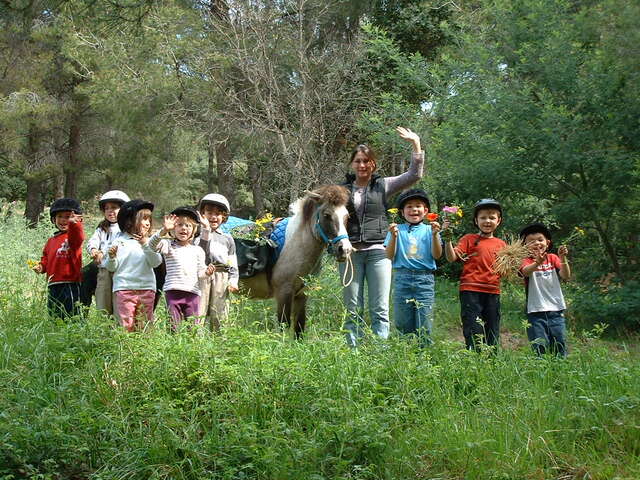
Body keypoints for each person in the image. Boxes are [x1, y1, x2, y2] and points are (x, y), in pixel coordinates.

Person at [339, 126, 424, 347]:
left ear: (373, 164)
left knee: (380, 307)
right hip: (351, 253)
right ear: (352, 164)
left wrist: (416, 143)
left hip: (379, 252)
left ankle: (380, 352)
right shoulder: (342, 190)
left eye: (366, 161)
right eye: (358, 161)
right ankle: (352, 351)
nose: (362, 165)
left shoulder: (383, 185)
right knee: (352, 307)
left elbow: (414, 175)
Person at [444, 198, 506, 350]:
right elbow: (452, 257)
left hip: (492, 290)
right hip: (470, 290)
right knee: (473, 326)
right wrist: (447, 239)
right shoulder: (468, 239)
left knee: (492, 327)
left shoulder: (502, 245)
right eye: (483, 217)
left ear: (498, 221)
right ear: (476, 220)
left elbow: (507, 270)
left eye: (492, 217)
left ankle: (492, 360)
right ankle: (474, 357)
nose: (487, 221)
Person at [384, 189, 442, 346]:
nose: (414, 209)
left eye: (418, 206)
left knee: (424, 323)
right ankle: (405, 357)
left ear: (426, 211)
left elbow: (437, 255)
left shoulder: (431, 229)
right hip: (402, 278)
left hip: (425, 279)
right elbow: (389, 255)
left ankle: (425, 356)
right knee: (403, 322)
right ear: (402, 212)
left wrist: (436, 235)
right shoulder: (396, 229)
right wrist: (394, 237)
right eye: (409, 206)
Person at [148, 207, 214, 330]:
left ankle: (192, 349)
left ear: (194, 230)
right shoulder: (168, 246)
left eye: (188, 225)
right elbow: (151, 245)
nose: (184, 228)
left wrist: (207, 272)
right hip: (173, 292)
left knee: (192, 327)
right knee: (174, 326)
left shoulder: (197, 250)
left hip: (192, 293)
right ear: (173, 229)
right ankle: (174, 347)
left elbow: (200, 273)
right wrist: (163, 230)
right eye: (179, 225)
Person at [106, 199, 162, 332]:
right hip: (124, 288)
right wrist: (112, 257)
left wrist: (145, 244)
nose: (148, 223)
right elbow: (111, 267)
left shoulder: (150, 242)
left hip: (147, 288)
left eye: (149, 219)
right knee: (126, 324)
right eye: (144, 219)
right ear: (129, 221)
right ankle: (126, 349)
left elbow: (156, 262)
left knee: (145, 324)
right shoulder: (119, 242)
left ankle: (144, 349)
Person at [519, 223, 571, 357]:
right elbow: (525, 272)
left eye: (540, 240)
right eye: (531, 241)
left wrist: (563, 258)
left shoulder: (553, 258)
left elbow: (565, 275)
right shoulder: (525, 261)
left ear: (547, 243)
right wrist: (537, 263)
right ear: (525, 246)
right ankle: (541, 372)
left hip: (556, 310)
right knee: (539, 346)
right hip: (535, 312)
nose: (537, 243)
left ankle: (560, 371)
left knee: (559, 344)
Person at [32, 198, 85, 319]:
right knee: (54, 312)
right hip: (53, 283)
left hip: (70, 282)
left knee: (71, 313)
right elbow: (46, 258)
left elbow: (79, 235)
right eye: (59, 216)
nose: (63, 220)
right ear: (53, 219)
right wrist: (41, 267)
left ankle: (73, 334)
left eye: (67, 217)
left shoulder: (72, 237)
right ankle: (56, 332)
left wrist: (75, 224)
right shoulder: (51, 241)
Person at [197, 194, 239, 331]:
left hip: (221, 276)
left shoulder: (227, 239)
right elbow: (200, 254)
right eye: (209, 212)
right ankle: (196, 342)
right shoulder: (196, 236)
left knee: (219, 313)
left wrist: (233, 281)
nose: (213, 217)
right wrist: (205, 231)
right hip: (201, 276)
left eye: (218, 214)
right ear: (202, 214)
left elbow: (232, 262)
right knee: (199, 311)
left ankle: (220, 343)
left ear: (224, 217)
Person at [85, 190, 130, 314]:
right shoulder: (102, 228)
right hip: (104, 270)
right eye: (107, 208)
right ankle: (104, 326)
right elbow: (92, 242)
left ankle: (119, 327)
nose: (110, 211)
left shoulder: (127, 228)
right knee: (103, 300)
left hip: (121, 271)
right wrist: (94, 250)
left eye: (114, 208)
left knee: (119, 301)